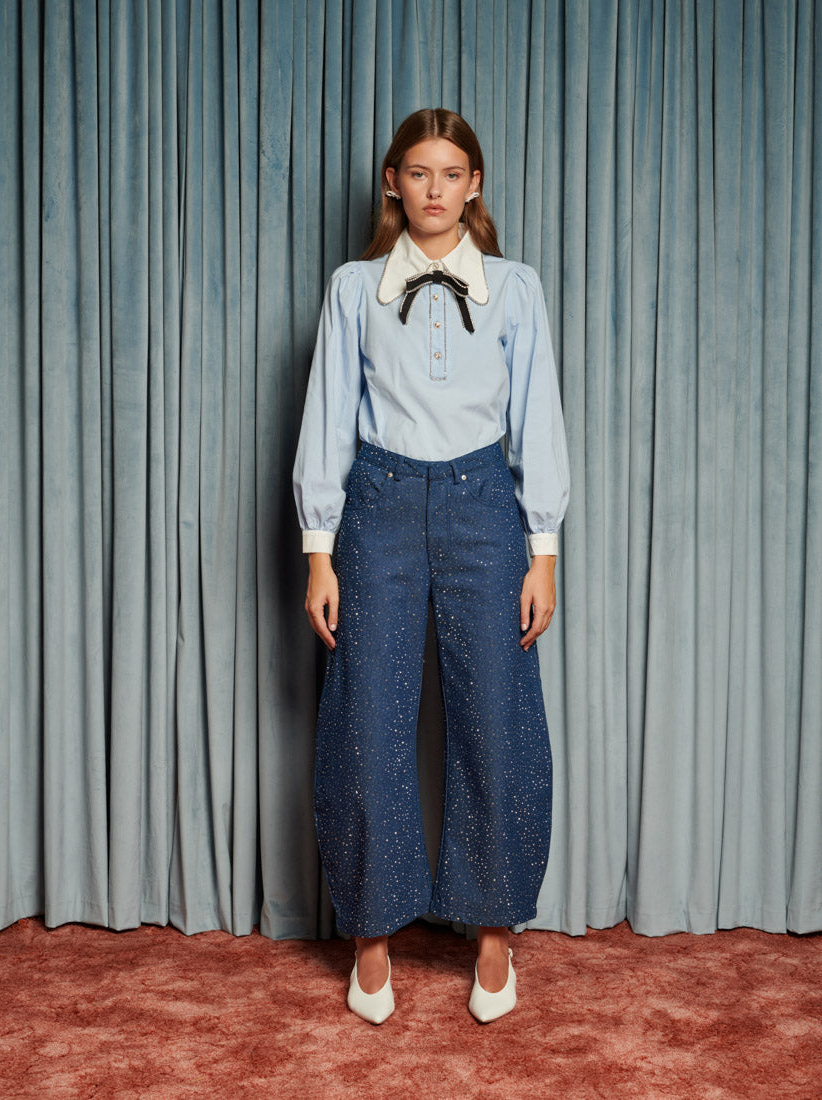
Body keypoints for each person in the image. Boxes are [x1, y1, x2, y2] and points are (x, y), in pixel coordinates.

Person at [293, 108, 569, 1024]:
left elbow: (537, 421)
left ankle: (492, 934)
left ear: (474, 184)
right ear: (392, 183)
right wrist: (319, 550)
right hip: (375, 507)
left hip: (484, 506)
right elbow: (328, 416)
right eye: (418, 172)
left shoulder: (515, 289)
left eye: (451, 173)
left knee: (497, 716)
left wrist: (542, 552)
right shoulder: (354, 288)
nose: (435, 189)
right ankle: (370, 936)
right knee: (365, 719)